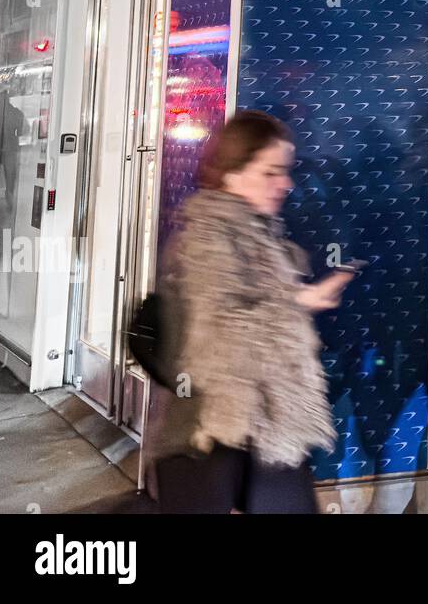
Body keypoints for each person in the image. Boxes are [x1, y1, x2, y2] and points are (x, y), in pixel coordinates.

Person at [151, 110, 355, 513]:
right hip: (205, 433)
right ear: (232, 173)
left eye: (286, 171)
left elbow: (257, 301)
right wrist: (300, 301)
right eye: (270, 172)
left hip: (261, 425)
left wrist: (298, 293)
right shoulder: (205, 237)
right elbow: (221, 328)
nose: (286, 183)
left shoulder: (258, 233)